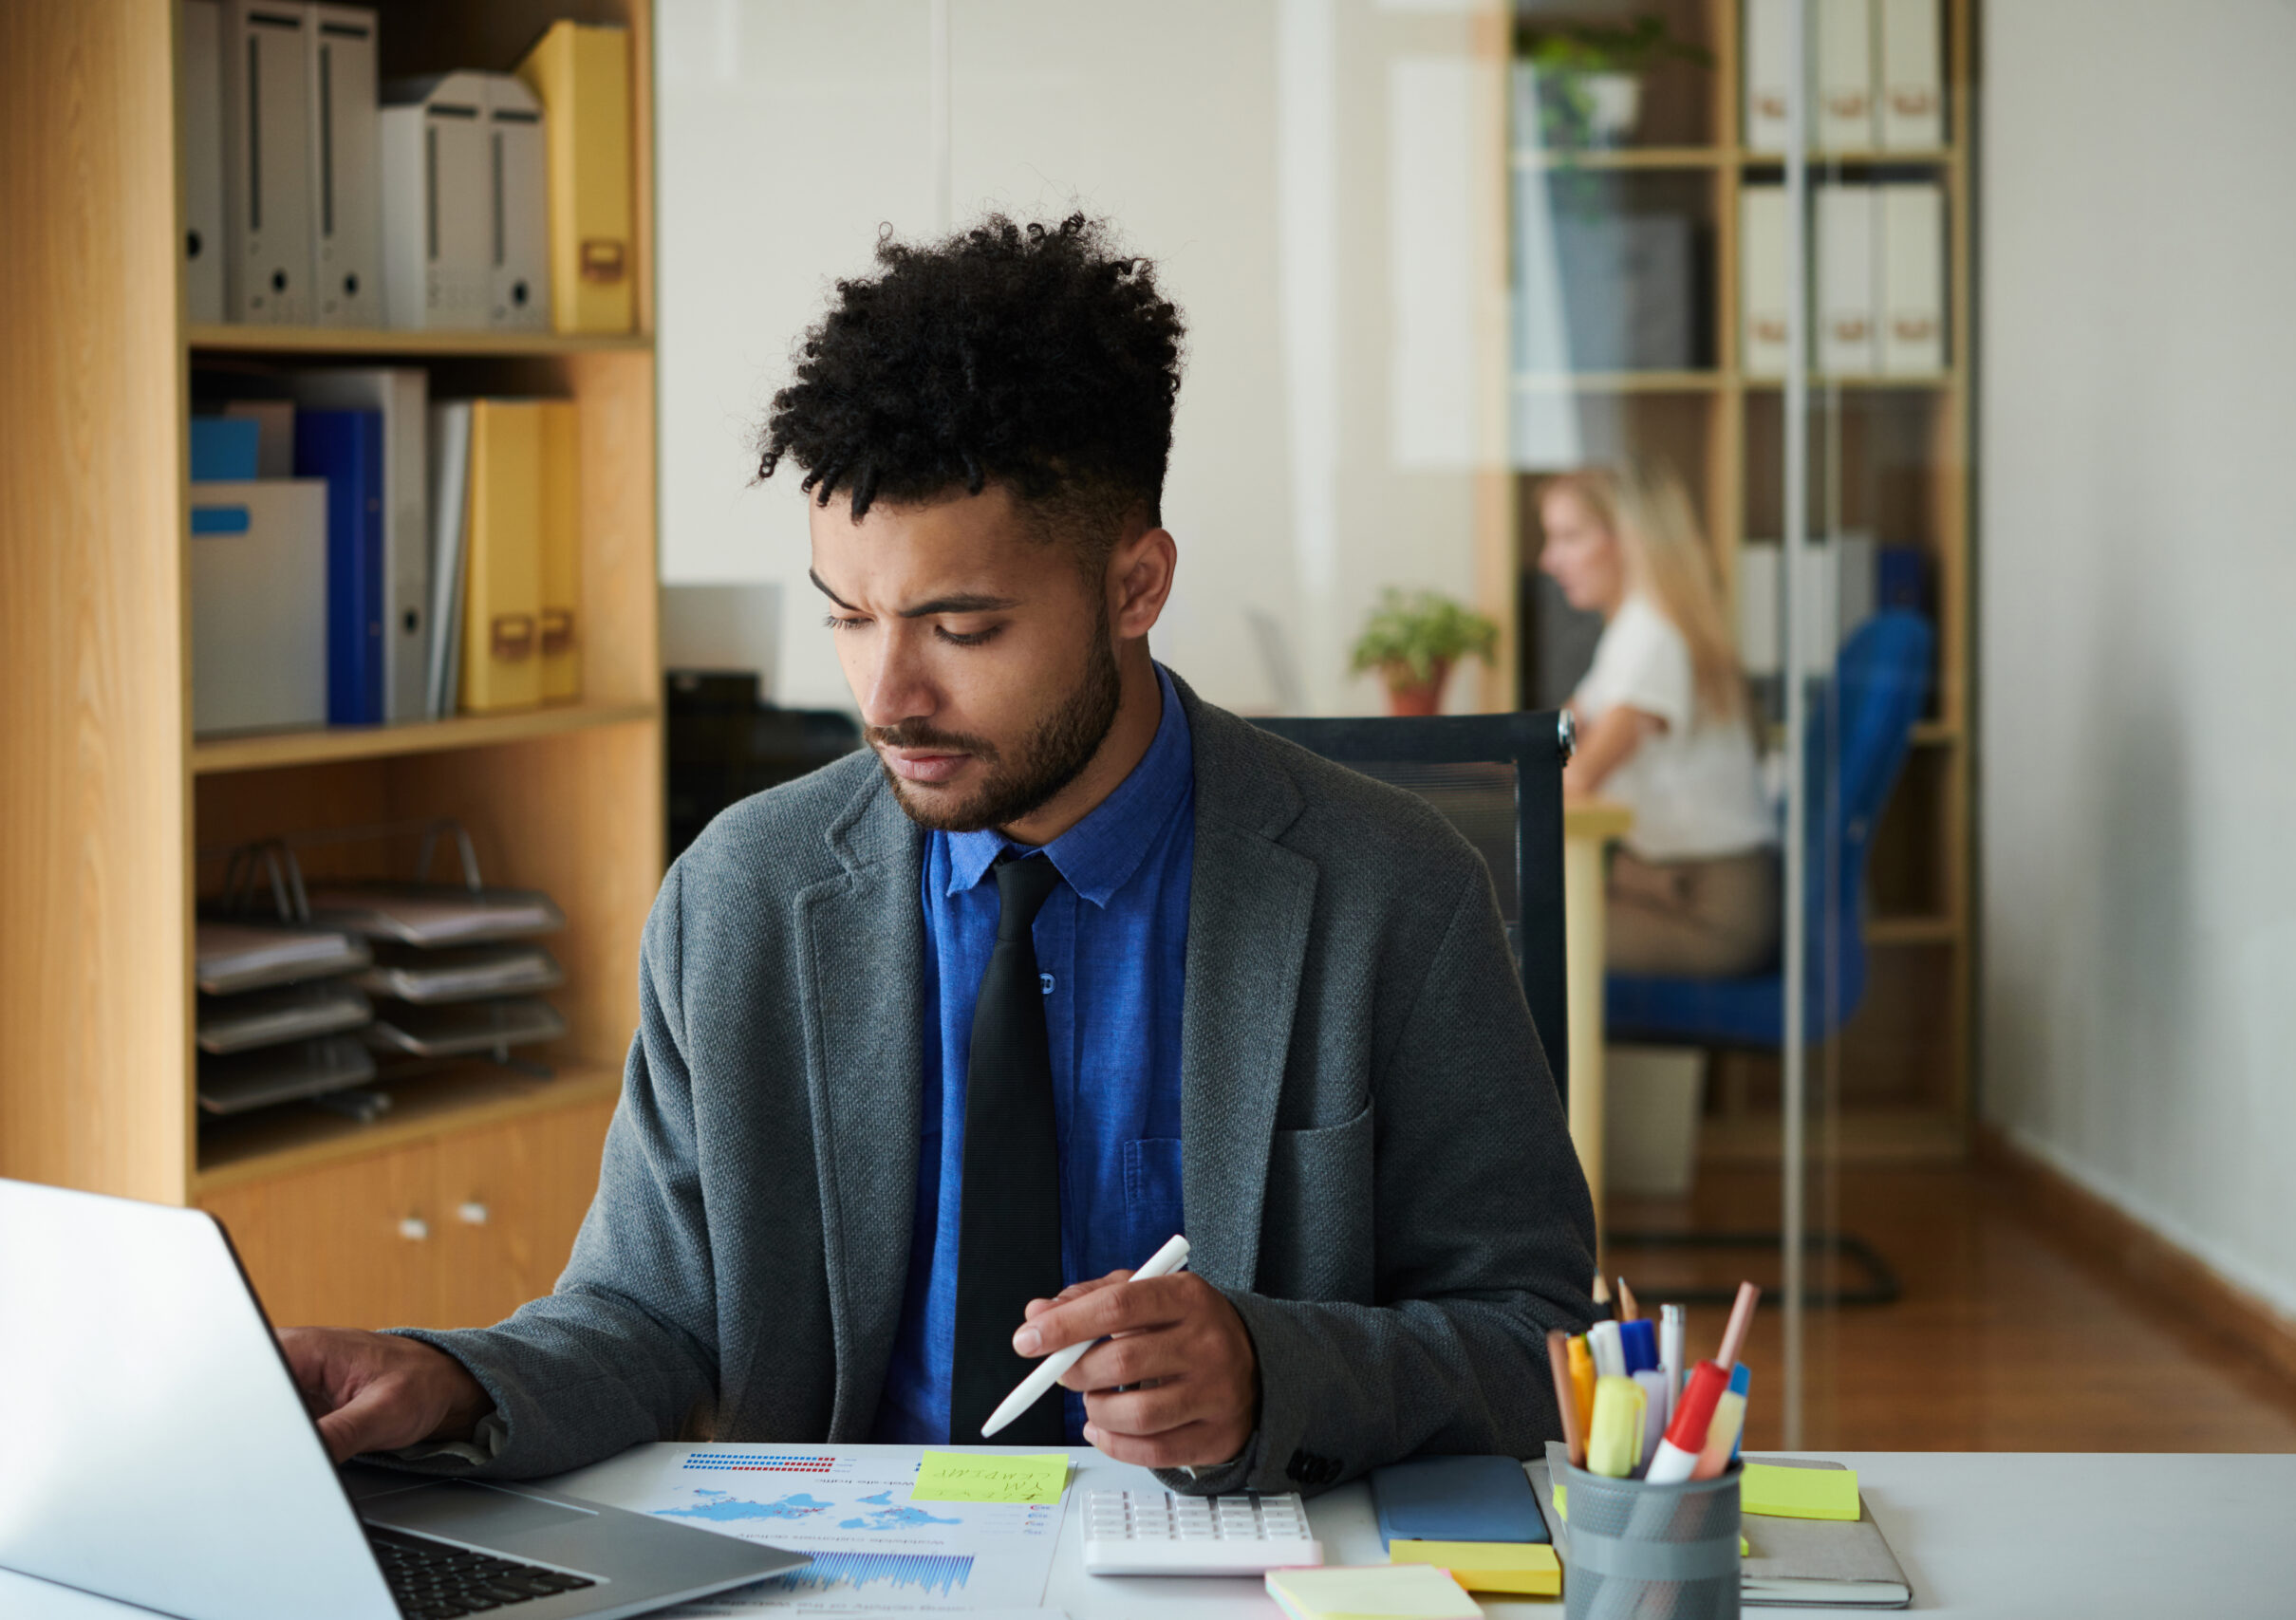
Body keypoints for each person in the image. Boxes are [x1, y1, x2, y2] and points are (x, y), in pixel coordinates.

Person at [278, 214, 1594, 1497]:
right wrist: (451, 1377)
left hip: (1234, 1573)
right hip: (844, 1567)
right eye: (850, 614)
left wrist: (1276, 1366)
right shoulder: (739, 897)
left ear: (1135, 587)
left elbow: (1541, 1341)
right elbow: (648, 1316)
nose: (887, 691)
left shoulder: (1392, 892)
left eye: (960, 625)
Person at [1538, 462, 1780, 978]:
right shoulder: (1629, 634)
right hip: (1667, 893)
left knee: (1505, 944)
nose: (1548, 560)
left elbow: (1580, 775)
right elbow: (1553, 736)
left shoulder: (1654, 639)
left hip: (1707, 911)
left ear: (1628, 540)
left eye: (1569, 537)